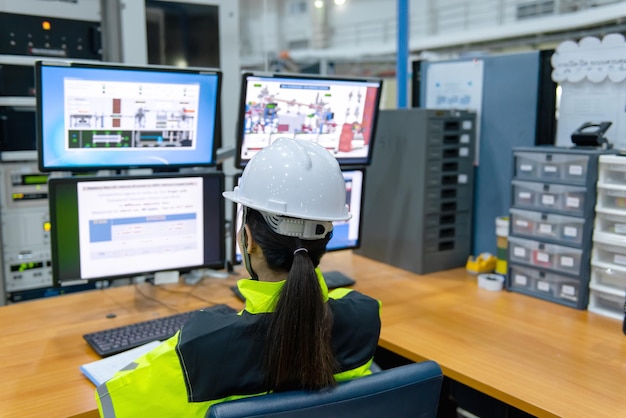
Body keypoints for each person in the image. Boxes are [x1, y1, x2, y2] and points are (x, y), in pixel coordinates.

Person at [95, 138, 381, 417]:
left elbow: (110, 402)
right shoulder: (364, 317)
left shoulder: (197, 350)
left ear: (247, 239)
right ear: (326, 238)